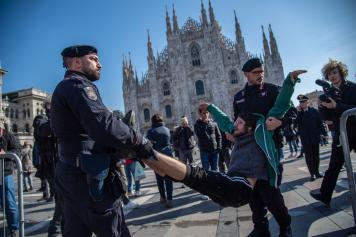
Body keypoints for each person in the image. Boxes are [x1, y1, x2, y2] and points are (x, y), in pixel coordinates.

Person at [142, 69, 305, 237]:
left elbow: (281, 104)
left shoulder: (262, 130)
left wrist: (290, 81)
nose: (236, 124)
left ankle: (285, 227)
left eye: (240, 122)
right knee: (253, 201)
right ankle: (261, 229)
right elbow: (224, 120)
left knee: (273, 201)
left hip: (255, 177)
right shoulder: (235, 130)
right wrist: (211, 107)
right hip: (241, 178)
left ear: (249, 126)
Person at [51, 45, 154, 236]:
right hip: (88, 175)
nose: (100, 64)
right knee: (114, 230)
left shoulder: (64, 87)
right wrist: (139, 141)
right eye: (93, 59)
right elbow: (104, 125)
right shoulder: (79, 86)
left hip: (70, 172)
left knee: (75, 230)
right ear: (76, 62)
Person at [233, 58, 292, 237]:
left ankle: (285, 225)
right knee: (253, 195)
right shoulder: (239, 97)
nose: (260, 75)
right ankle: (261, 228)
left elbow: (292, 111)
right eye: (256, 72)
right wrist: (234, 131)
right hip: (249, 151)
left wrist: (280, 122)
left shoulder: (273, 90)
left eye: (261, 71)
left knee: (270, 193)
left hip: (269, 149)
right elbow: (238, 122)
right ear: (246, 74)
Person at [310, 59, 356, 206]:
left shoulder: (352, 88)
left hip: (355, 129)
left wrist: (337, 106)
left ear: (341, 73)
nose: (332, 76)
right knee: (334, 166)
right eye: (329, 74)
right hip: (341, 133)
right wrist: (322, 107)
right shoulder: (329, 92)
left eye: (335, 72)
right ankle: (325, 194)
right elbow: (327, 119)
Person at [296, 94, 326, 181]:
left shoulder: (314, 111)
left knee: (316, 156)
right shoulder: (299, 113)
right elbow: (296, 123)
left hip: (315, 137)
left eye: (304, 102)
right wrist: (299, 112)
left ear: (307, 102)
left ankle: (317, 172)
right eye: (301, 102)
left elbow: (320, 123)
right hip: (305, 138)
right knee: (309, 157)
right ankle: (312, 174)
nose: (302, 104)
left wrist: (324, 133)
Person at [147, 114, 174, 208]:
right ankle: (170, 199)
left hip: (157, 156)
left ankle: (163, 197)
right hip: (168, 155)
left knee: (159, 178)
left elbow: (148, 145)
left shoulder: (151, 131)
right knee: (168, 178)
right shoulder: (167, 129)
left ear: (153, 121)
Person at [0, 122, 20, 237]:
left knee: (9, 202)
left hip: (5, 173)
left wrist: (5, 153)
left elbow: (17, 151)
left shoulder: (9, 136)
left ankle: (14, 229)